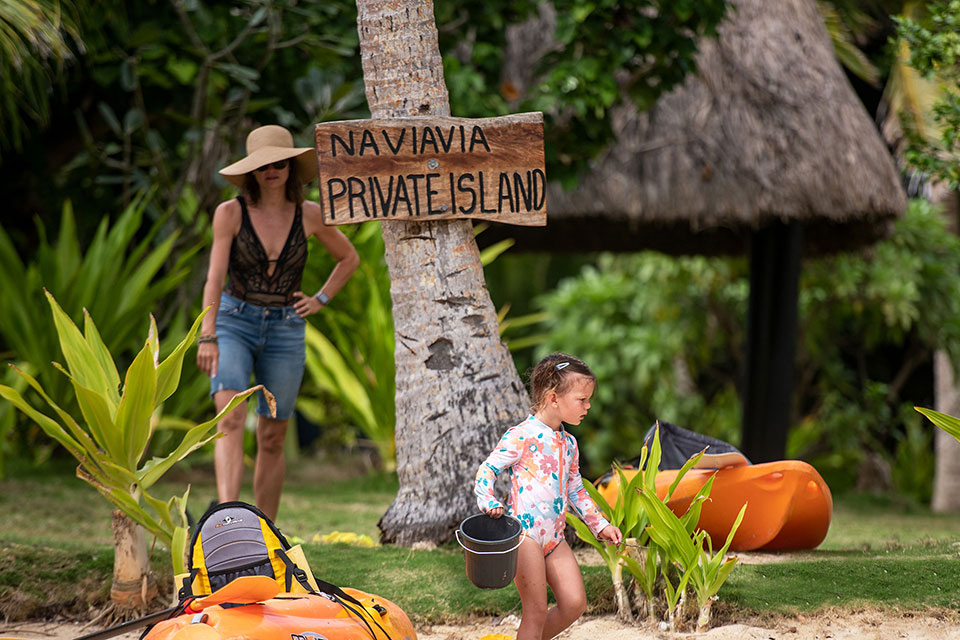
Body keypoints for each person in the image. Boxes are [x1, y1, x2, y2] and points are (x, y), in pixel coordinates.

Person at [196, 125, 359, 521]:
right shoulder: (230, 214)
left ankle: (264, 532)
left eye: (280, 163)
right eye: (264, 164)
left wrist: (321, 299)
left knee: (272, 435)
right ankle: (228, 519)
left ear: (290, 167)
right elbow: (215, 278)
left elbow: (349, 258)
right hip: (234, 322)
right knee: (230, 416)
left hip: (285, 327)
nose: (273, 170)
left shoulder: (310, 215)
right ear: (252, 171)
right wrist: (208, 334)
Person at [474, 353, 622, 640]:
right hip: (525, 536)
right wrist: (489, 501)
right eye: (582, 399)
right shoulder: (521, 435)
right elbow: (487, 470)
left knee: (574, 603)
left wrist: (600, 526)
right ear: (554, 399)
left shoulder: (569, 443)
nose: (588, 406)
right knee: (536, 611)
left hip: (555, 538)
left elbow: (576, 489)